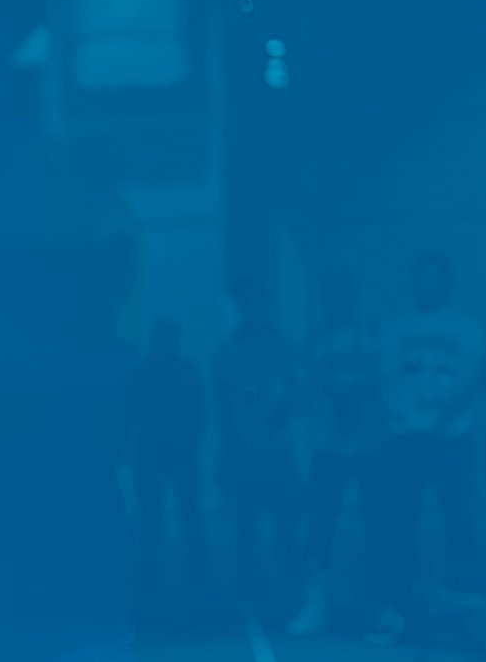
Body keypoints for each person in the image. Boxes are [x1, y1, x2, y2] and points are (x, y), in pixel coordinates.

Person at [373, 251, 486, 643]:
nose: (429, 284)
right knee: (401, 525)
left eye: (436, 278)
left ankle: (467, 616)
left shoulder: (468, 328)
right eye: (423, 278)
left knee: (460, 527)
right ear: (415, 282)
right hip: (407, 441)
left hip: (453, 441)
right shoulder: (395, 329)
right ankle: (400, 611)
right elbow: (386, 380)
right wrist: (410, 418)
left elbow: (472, 377)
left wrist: (441, 416)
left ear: (447, 282)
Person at [289, 271, 382, 636]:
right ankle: (317, 603)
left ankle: (378, 605)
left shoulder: (372, 336)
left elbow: (384, 386)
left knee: (376, 527)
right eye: (330, 296)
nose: (336, 303)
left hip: (368, 448)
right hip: (326, 447)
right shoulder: (314, 341)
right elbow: (302, 393)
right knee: (319, 527)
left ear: (352, 299)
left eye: (343, 295)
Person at [212, 281, 301, 593]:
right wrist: (234, 443)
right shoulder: (226, 350)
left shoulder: (284, 345)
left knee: (286, 520)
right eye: (246, 304)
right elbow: (222, 401)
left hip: (277, 449)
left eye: (258, 303)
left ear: (266, 306)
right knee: (245, 520)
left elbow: (294, 396)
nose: (253, 310)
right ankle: (249, 586)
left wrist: (267, 432)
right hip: (242, 451)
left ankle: (289, 584)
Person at [126, 319, 206, 593]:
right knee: (163, 512)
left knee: (178, 510)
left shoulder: (145, 372)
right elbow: (198, 411)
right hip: (165, 450)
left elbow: (197, 412)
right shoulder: (179, 371)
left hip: (165, 450)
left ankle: (164, 568)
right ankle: (179, 567)